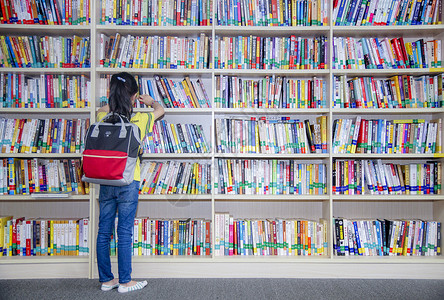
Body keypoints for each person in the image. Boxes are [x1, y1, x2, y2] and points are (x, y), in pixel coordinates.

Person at [95, 72, 164, 293]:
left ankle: (107, 280)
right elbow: (160, 111)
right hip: (128, 180)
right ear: (134, 97)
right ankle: (125, 281)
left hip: (105, 180)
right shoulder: (140, 119)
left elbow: (104, 110)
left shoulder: (101, 118)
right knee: (124, 231)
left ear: (112, 94)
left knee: (104, 231)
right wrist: (150, 101)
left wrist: (114, 103)